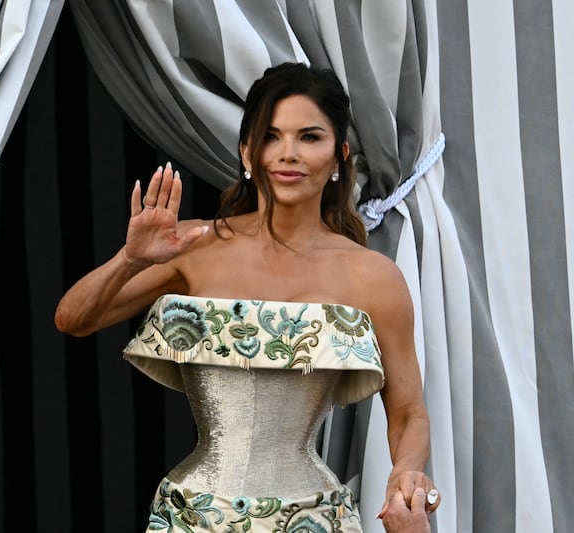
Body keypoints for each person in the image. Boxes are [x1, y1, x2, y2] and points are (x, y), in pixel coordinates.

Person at [55, 62, 439, 531]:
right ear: (247, 153)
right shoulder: (192, 246)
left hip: (314, 519)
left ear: (339, 158)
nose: (288, 153)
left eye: (309, 137)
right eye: (271, 136)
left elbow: (408, 412)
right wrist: (130, 260)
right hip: (193, 517)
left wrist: (406, 470)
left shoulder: (374, 277)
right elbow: (72, 319)